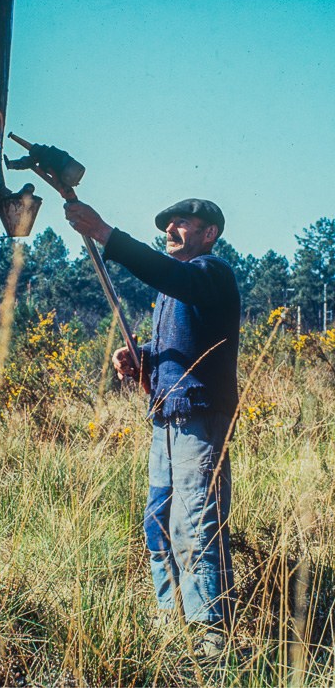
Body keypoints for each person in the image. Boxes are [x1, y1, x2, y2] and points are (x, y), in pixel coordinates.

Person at [66, 198, 238, 656]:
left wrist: (106, 234)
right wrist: (140, 357)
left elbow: (173, 276)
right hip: (165, 417)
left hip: (199, 416)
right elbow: (177, 346)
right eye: (169, 224)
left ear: (209, 234)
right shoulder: (174, 289)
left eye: (184, 223)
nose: (172, 228)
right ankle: (171, 621)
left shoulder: (210, 274)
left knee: (196, 522)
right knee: (158, 523)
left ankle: (211, 637)